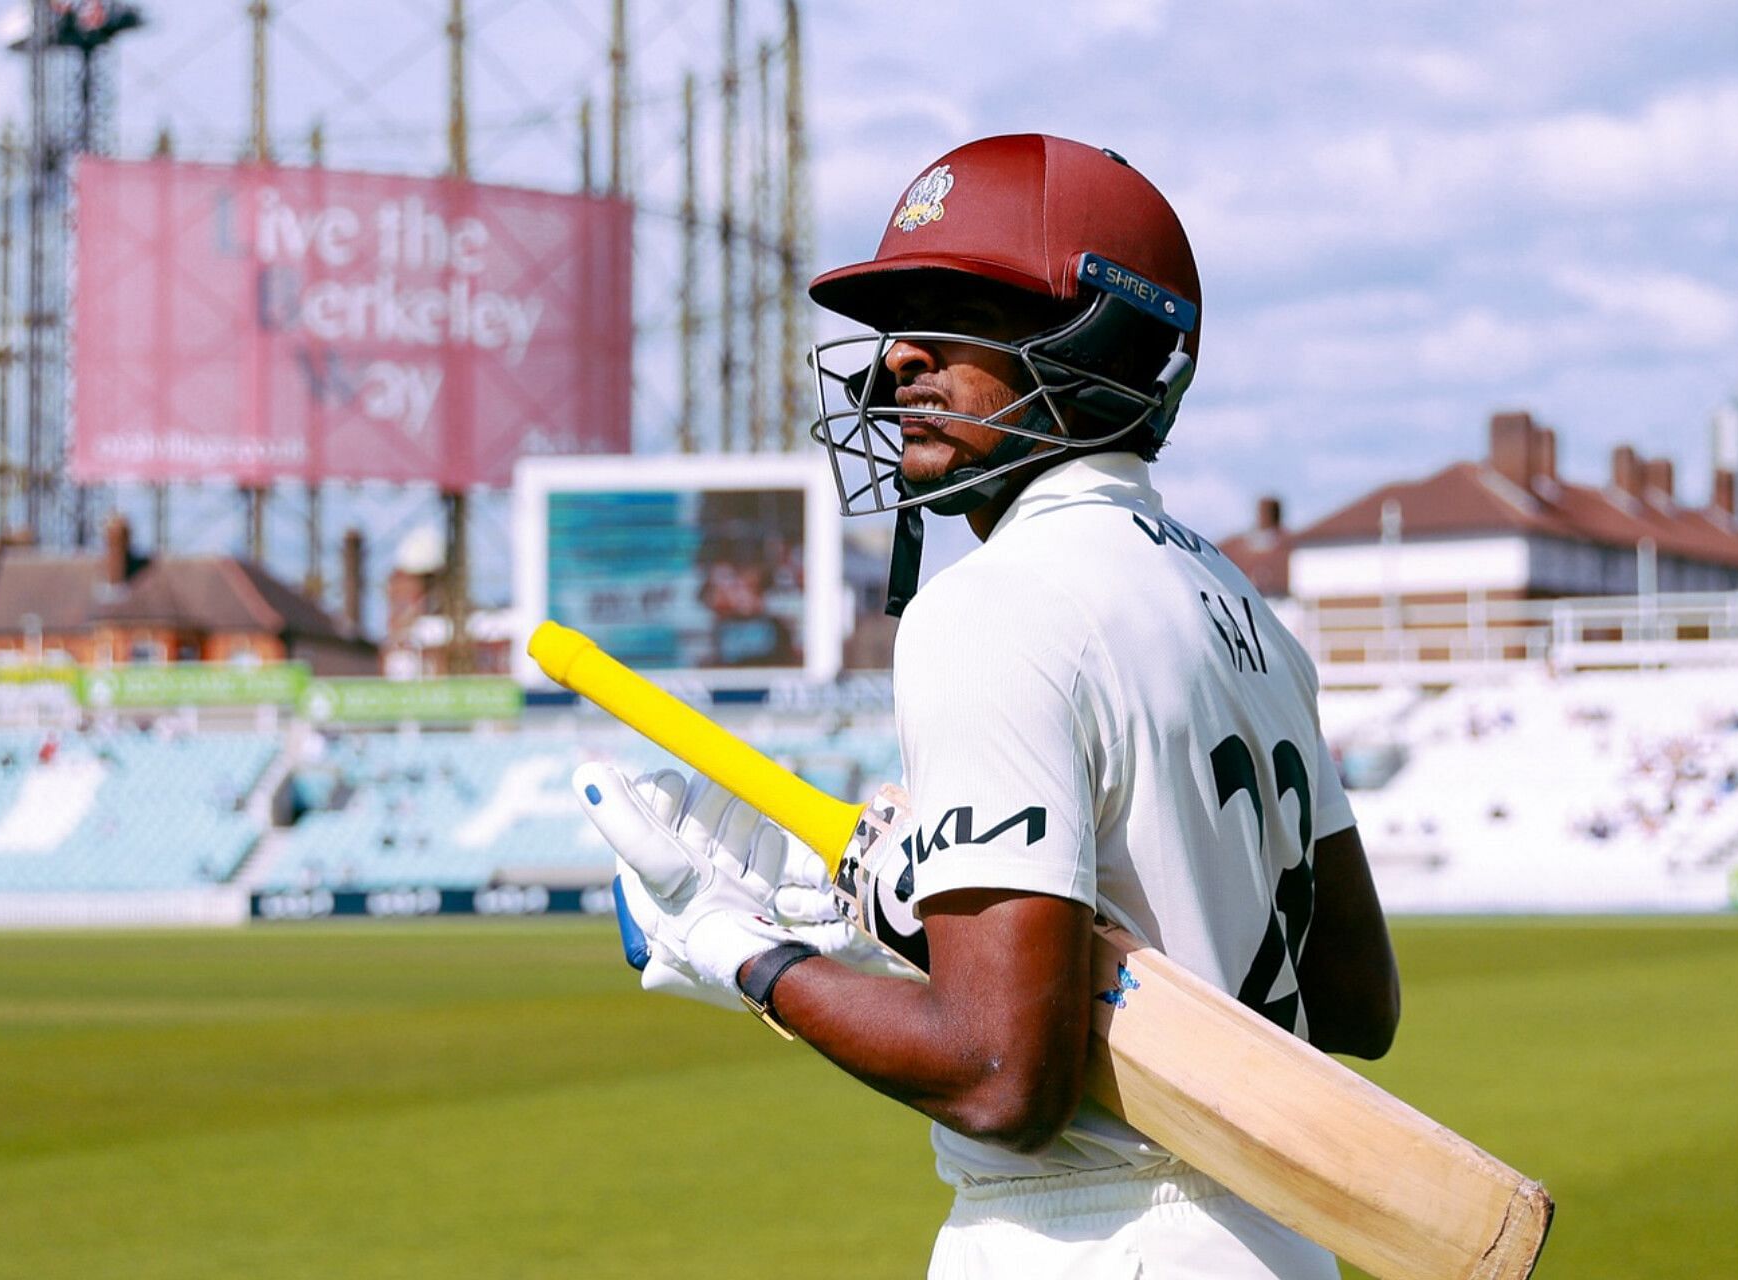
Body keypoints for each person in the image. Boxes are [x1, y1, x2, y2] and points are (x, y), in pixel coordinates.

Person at [581, 134, 1401, 1280]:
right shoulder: (1241, 604)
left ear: (1103, 339)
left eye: (955, 308)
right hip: (1273, 1239)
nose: (897, 357)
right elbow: (1358, 1002)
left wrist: (745, 956)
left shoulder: (996, 605)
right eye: (893, 322)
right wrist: (910, 918)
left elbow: (1000, 1076)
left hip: (1087, 1239)